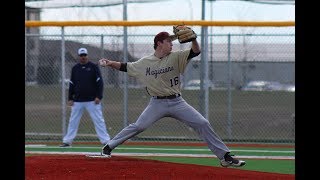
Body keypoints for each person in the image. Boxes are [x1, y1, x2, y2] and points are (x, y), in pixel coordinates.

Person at [98, 30, 246, 167]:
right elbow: (125, 66)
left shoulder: (176, 56)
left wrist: (194, 39)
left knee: (202, 123)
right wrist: (110, 63)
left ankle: (224, 157)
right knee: (139, 126)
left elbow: (196, 51)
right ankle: (109, 146)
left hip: (177, 102)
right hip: (157, 103)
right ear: (159, 43)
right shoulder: (145, 62)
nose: (172, 44)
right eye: (169, 41)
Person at [59, 47, 111, 147]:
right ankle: (67, 141)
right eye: (81, 55)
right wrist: (70, 98)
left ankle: (105, 141)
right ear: (79, 57)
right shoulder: (75, 68)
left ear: (87, 56)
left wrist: (98, 96)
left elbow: (100, 82)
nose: (83, 57)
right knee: (73, 121)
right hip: (77, 100)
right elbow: (72, 84)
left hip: (92, 100)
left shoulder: (93, 67)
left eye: (85, 55)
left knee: (99, 120)